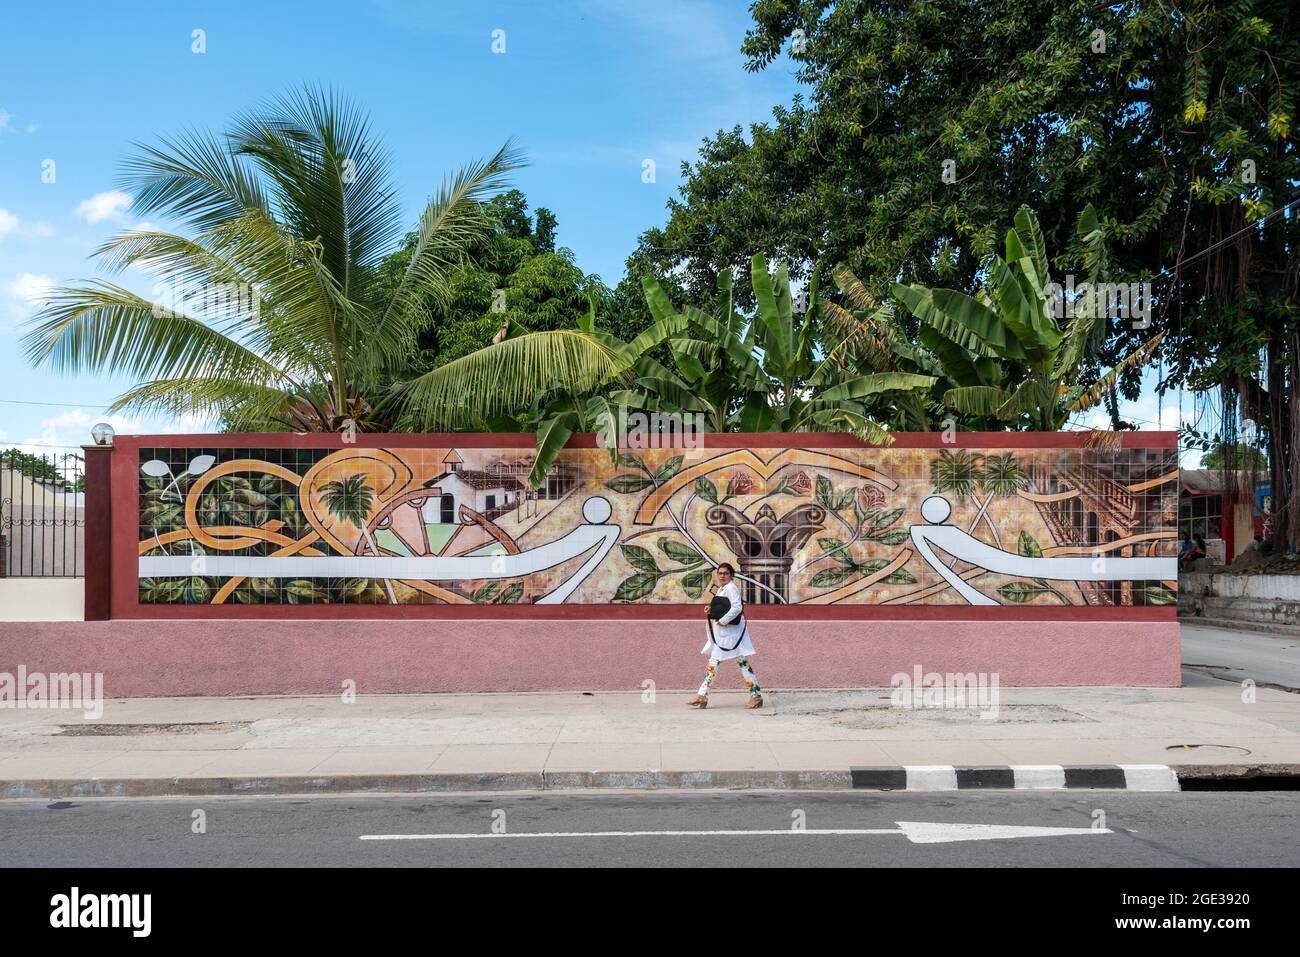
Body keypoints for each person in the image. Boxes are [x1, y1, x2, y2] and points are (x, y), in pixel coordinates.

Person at [687, 563, 762, 710]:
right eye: (720, 573)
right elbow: (724, 606)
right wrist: (712, 608)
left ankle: (756, 696)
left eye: (725, 573)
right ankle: (703, 695)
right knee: (722, 662)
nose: (722, 575)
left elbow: (736, 607)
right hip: (725, 636)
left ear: (731, 575)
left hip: (730, 635)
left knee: (735, 663)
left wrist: (722, 620)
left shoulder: (731, 588)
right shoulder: (723, 588)